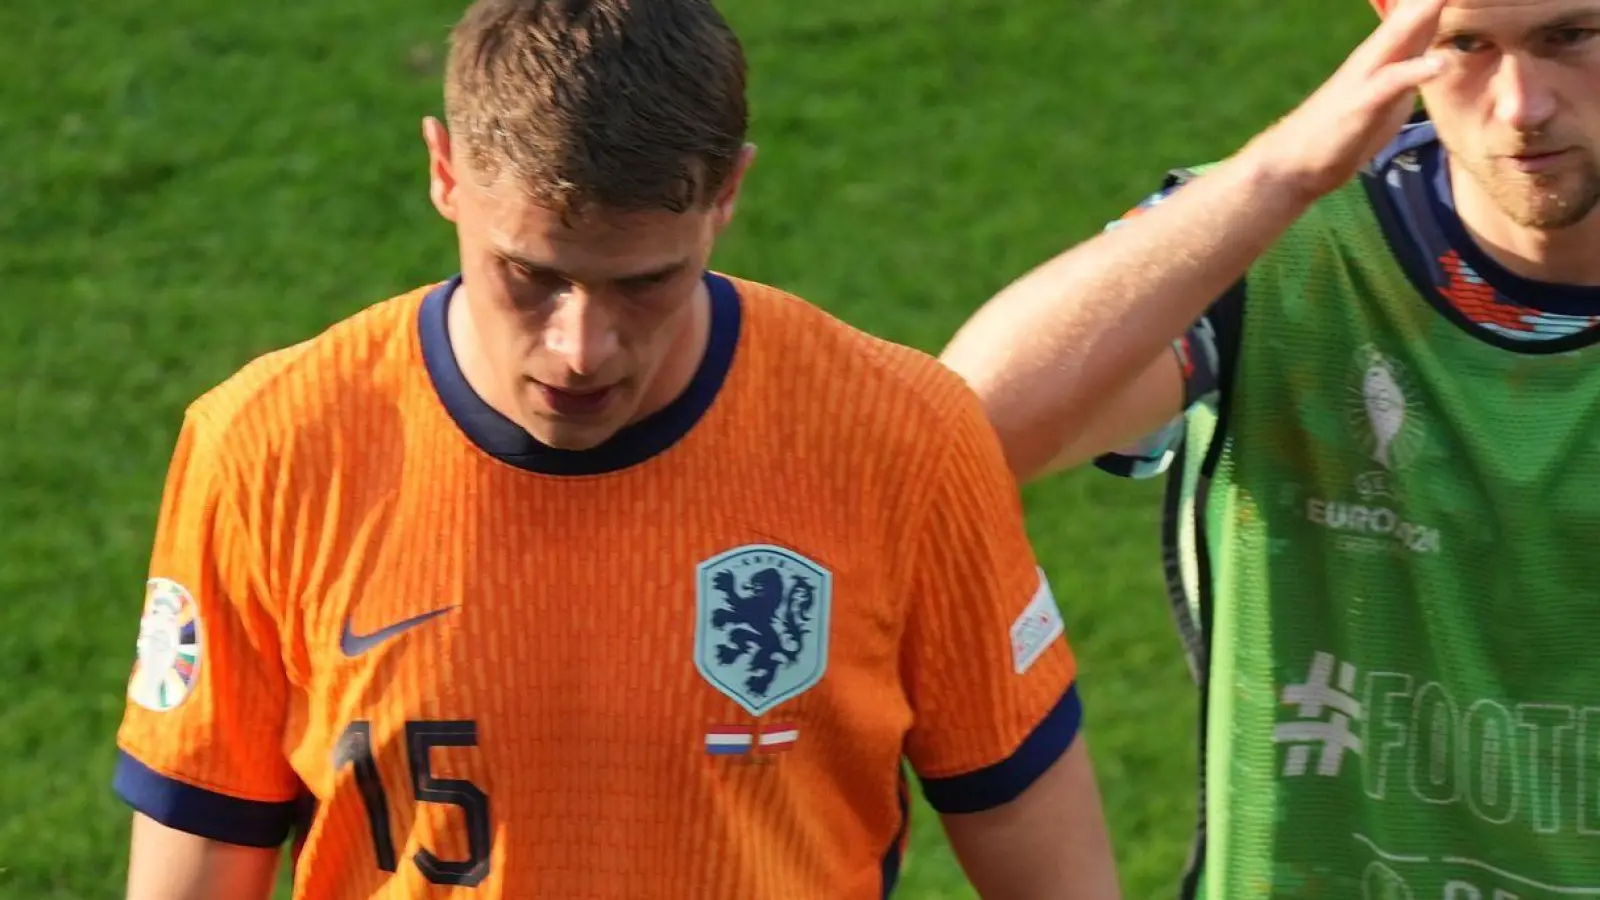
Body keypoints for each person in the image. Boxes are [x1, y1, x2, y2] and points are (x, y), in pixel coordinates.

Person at [109, 1, 1122, 898]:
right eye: (529, 275)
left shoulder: (902, 441)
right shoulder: (270, 449)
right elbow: (199, 860)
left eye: (643, 282)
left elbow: (1044, 860)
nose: (581, 349)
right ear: (445, 170)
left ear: (728, 192)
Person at [940, 0, 1600, 896]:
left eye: (1571, 37)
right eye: (1464, 46)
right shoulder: (1273, 245)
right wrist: (1280, 177)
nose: (1521, 104)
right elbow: (960, 434)